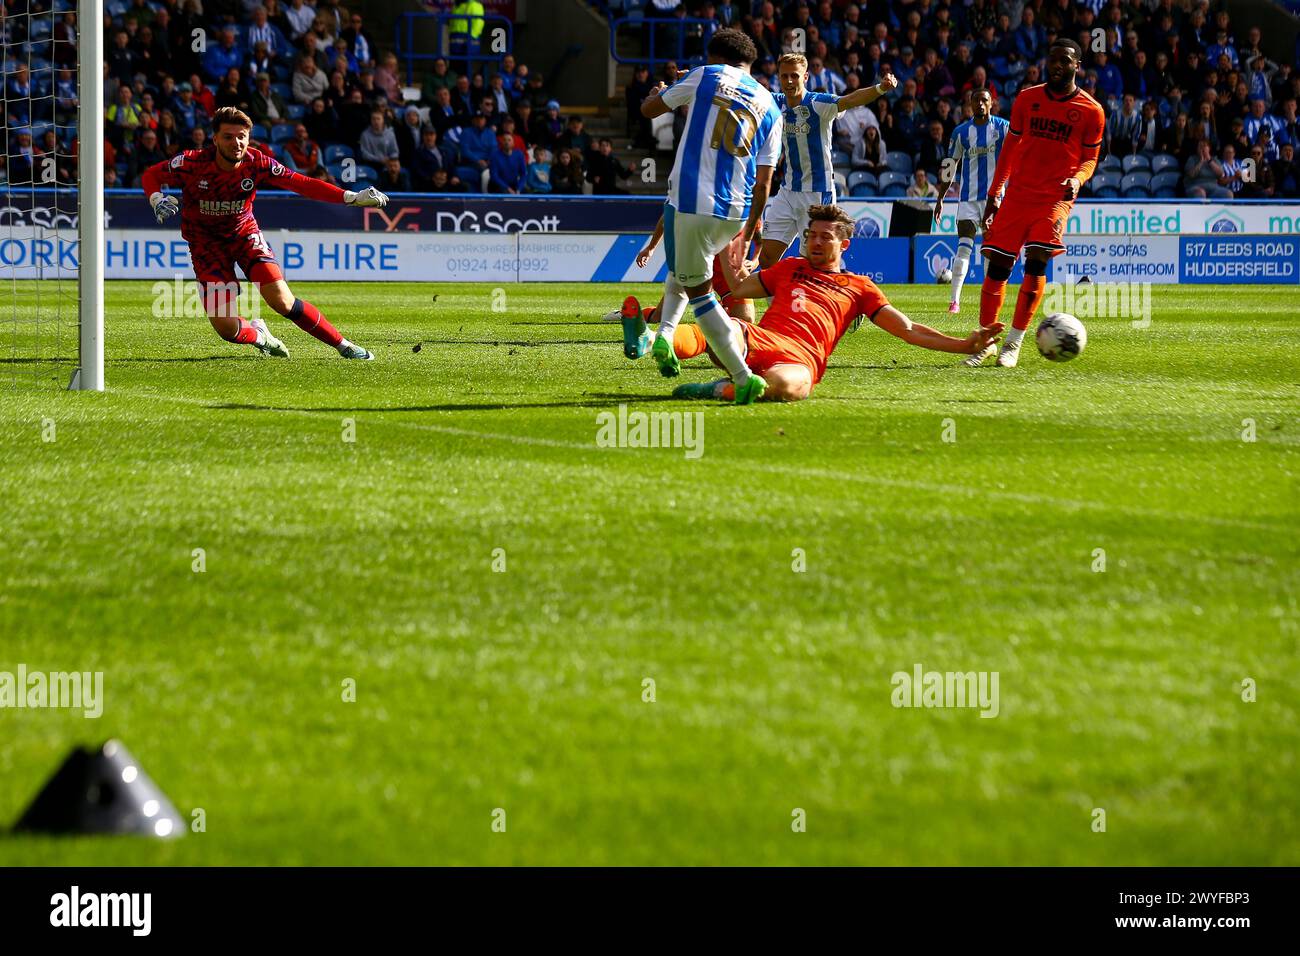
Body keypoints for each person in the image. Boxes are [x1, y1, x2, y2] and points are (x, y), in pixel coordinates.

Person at [660, 206, 1001, 402]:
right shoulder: (790, 266)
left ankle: (719, 389)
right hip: (759, 338)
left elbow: (908, 329)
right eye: (811, 235)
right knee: (725, 327)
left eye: (826, 237)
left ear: (845, 244)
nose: (815, 242)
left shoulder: (859, 287)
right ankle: (659, 339)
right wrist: (730, 261)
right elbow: (739, 289)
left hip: (802, 358)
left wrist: (965, 345)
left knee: (789, 387)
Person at [141, 106, 388, 359]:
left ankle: (344, 346)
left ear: (248, 138)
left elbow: (301, 183)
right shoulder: (191, 163)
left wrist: (352, 197)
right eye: (228, 136)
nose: (236, 142)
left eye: (241, 136)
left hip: (244, 236)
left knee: (282, 301)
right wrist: (155, 197)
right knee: (227, 329)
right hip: (206, 246)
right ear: (214, 140)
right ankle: (261, 336)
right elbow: (150, 175)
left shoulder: (257, 162)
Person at [639, 28, 784, 404]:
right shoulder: (770, 104)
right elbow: (765, 183)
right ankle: (666, 337)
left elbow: (649, 111)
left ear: (715, 56)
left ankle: (743, 374)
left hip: (694, 201)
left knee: (699, 291)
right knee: (684, 265)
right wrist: (750, 233)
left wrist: (657, 94)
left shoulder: (706, 74)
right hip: (734, 213)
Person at [973, 39, 1105, 369]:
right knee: (998, 269)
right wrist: (993, 195)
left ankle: (1013, 344)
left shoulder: (1092, 111)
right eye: (1052, 60)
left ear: (1077, 66)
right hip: (1018, 196)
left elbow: (1090, 159)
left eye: (1064, 61)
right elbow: (1010, 149)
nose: (1057, 66)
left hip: (1054, 200)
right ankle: (986, 341)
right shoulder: (1027, 99)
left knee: (1036, 261)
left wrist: (1077, 179)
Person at [756, 52, 896, 268]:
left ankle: (829, 296)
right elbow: (744, 90)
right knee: (766, 258)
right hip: (787, 191)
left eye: (795, 75)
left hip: (817, 193)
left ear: (806, 77)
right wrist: (700, 77)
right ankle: (781, 303)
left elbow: (850, 99)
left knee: (815, 263)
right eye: (784, 76)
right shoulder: (775, 103)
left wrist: (880, 88)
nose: (789, 81)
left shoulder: (818, 104)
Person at [932, 89, 1010, 314]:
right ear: (970, 104)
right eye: (976, 101)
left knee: (990, 251)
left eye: (984, 100)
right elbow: (950, 165)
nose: (980, 104)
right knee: (963, 247)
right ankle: (954, 301)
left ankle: (987, 301)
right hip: (967, 199)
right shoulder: (961, 132)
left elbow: (1020, 152)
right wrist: (941, 197)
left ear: (992, 103)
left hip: (994, 199)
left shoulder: (1003, 128)